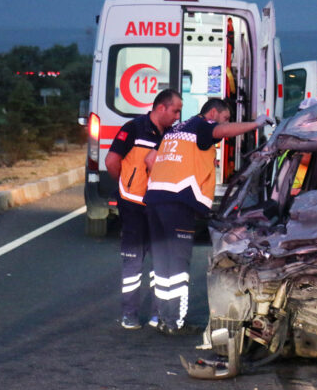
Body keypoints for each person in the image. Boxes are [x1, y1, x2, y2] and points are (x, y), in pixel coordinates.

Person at [144, 99, 274, 335]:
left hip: (154, 200)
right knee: (178, 264)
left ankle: (164, 318)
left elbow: (149, 160)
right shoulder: (201, 126)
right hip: (178, 203)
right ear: (213, 113)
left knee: (162, 262)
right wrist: (255, 124)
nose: (224, 124)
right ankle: (175, 323)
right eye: (225, 117)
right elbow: (222, 130)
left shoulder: (175, 130)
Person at [105, 89, 183, 330]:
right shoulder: (133, 128)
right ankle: (129, 314)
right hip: (134, 206)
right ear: (161, 108)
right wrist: (125, 186)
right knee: (133, 262)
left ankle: (158, 315)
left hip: (159, 207)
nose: (178, 116)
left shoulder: (171, 134)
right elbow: (111, 161)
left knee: (161, 263)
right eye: (175, 110)